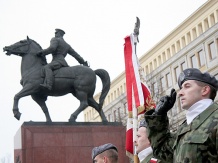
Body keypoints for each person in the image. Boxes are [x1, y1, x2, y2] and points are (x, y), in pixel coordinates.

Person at [144, 68, 218, 162]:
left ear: (205, 90)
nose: (180, 93)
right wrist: (159, 117)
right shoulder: (184, 128)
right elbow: (163, 153)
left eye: (187, 86)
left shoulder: (215, 119)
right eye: (181, 88)